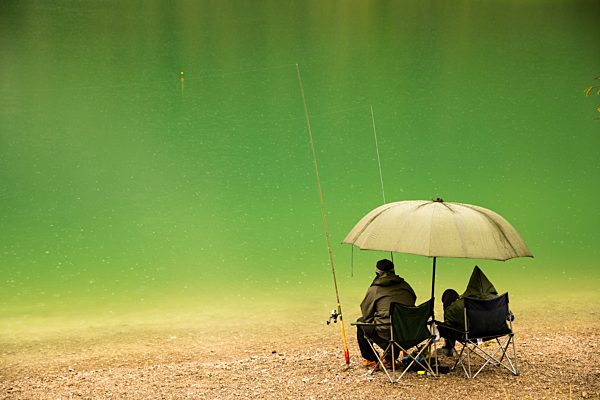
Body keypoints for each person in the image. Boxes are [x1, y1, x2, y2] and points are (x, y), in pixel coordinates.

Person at [356, 259, 417, 369]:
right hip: (410, 332)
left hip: (387, 334)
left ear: (377, 273)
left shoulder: (375, 289)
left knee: (361, 322)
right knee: (397, 322)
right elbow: (413, 301)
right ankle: (389, 359)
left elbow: (366, 314)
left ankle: (371, 359)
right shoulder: (405, 285)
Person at [438, 265, 500, 355]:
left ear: (471, 286)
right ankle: (448, 347)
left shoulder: (463, 304)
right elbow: (510, 317)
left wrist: (459, 300)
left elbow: (449, 316)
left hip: (470, 335)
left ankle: (449, 347)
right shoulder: (498, 301)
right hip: (494, 332)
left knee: (449, 294)